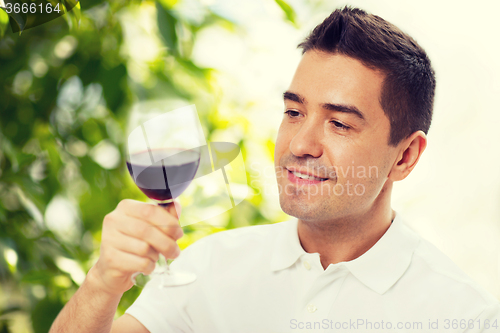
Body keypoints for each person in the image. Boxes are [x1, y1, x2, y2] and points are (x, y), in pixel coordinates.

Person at [50, 6, 500, 333]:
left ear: (405, 156)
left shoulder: (464, 317)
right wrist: (103, 283)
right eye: (294, 112)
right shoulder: (208, 270)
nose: (300, 145)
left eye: (339, 123)